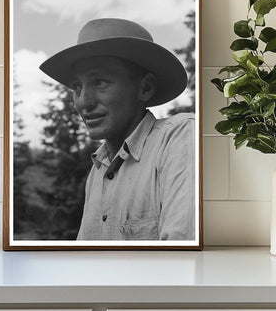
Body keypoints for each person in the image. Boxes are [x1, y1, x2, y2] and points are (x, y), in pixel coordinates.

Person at [39, 18, 195, 241]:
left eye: (99, 82)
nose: (84, 102)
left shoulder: (178, 138)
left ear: (145, 88)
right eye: (77, 87)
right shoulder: (98, 170)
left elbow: (181, 260)